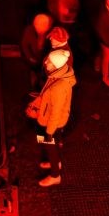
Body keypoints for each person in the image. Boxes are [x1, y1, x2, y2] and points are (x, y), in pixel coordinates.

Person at [35, 48, 76, 187]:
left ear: (57, 65)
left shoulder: (58, 86)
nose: (46, 62)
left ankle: (55, 175)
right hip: (55, 122)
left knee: (49, 145)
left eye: (50, 62)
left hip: (51, 124)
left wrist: (49, 132)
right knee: (51, 145)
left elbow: (55, 112)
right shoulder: (59, 75)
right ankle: (56, 162)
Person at [21, 14, 53, 89]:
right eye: (38, 25)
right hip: (33, 59)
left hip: (45, 61)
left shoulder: (51, 32)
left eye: (44, 25)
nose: (40, 28)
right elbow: (24, 45)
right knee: (34, 76)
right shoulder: (29, 30)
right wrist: (30, 57)